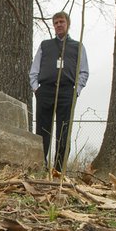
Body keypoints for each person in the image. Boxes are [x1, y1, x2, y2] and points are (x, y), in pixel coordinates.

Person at [29, 12, 89, 172]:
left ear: (68, 24)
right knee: (42, 132)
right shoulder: (45, 45)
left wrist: (76, 91)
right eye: (55, 23)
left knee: (64, 132)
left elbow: (83, 71)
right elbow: (34, 70)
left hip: (67, 92)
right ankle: (40, 167)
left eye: (61, 22)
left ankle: (58, 171)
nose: (58, 25)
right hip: (45, 91)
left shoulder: (78, 46)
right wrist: (36, 88)